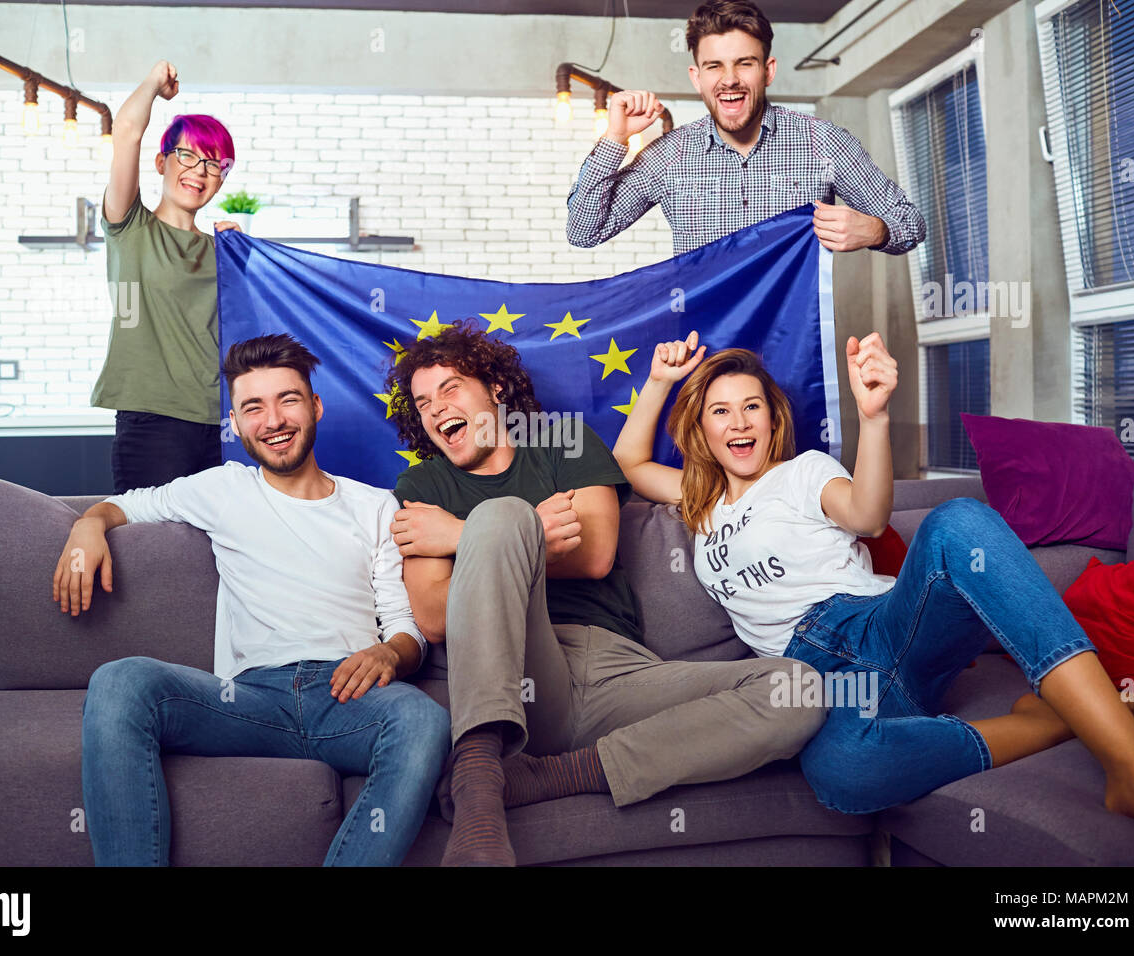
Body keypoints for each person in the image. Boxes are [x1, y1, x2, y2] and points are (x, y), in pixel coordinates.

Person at [612, 329, 1134, 852]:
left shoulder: (802, 472)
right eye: (721, 411)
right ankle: (1060, 718)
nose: (739, 422)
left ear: (771, 417)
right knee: (842, 774)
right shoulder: (699, 502)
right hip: (807, 678)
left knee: (958, 521)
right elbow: (628, 461)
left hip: (882, 626)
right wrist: (662, 379)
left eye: (751, 406)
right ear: (703, 429)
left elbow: (868, 515)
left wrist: (874, 417)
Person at [382, 321, 827, 867]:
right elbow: (432, 615)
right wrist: (516, 531)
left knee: (799, 689)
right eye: (424, 403)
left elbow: (593, 555)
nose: (436, 409)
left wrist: (458, 537)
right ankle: (477, 783)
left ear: (494, 388)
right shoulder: (422, 489)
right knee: (502, 517)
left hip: (619, 673)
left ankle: (553, 775)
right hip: (517, 674)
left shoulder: (561, 444)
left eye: (450, 388)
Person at [55, 333, 450, 866]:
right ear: (237, 424)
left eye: (288, 399)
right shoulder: (222, 488)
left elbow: (407, 626)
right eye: (253, 408)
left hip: (347, 696)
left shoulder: (376, 506)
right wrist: (87, 526)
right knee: (121, 680)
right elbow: (124, 505)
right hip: (247, 702)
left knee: (423, 719)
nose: (274, 420)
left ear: (315, 406)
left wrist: (390, 653)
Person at [566, 0, 925, 257]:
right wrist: (616, 138)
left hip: (795, 350)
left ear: (768, 70)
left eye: (744, 63)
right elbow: (583, 232)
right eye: (714, 66)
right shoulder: (667, 156)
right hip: (702, 354)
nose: (729, 80)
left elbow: (910, 223)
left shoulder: (825, 143)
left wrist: (877, 231)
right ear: (697, 78)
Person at [94, 60, 244, 493]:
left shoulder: (224, 251)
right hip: (153, 423)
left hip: (222, 425)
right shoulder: (130, 226)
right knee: (155, 550)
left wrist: (242, 258)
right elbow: (125, 133)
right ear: (161, 162)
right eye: (188, 155)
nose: (199, 170)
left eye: (214, 163)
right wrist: (153, 83)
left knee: (219, 553)